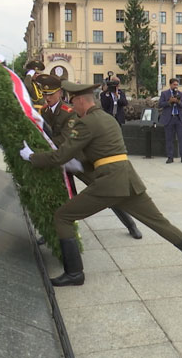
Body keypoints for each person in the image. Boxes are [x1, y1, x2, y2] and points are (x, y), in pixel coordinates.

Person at [19, 80, 182, 286]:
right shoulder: (108, 119)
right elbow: (100, 151)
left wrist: (31, 157)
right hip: (128, 179)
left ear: (81, 101)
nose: (72, 106)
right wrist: (80, 165)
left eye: (73, 102)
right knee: (160, 223)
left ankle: (74, 273)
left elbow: (61, 156)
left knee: (63, 216)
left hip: (109, 182)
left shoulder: (85, 123)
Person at [38, 74, 142, 240]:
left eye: (50, 94)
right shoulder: (43, 112)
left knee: (107, 193)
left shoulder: (69, 112)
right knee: (58, 196)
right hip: (58, 159)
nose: (47, 98)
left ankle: (130, 224)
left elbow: (66, 139)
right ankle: (52, 232)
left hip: (78, 160)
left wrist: (46, 138)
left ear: (59, 93)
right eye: (44, 95)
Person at [158, 78, 182, 164]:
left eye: (177, 85)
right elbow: (160, 105)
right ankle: (170, 157)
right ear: (170, 85)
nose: (176, 86)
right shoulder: (164, 93)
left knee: (181, 138)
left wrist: (178, 102)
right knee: (169, 139)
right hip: (169, 118)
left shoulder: (180, 94)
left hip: (178, 118)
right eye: (174, 85)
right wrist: (169, 102)